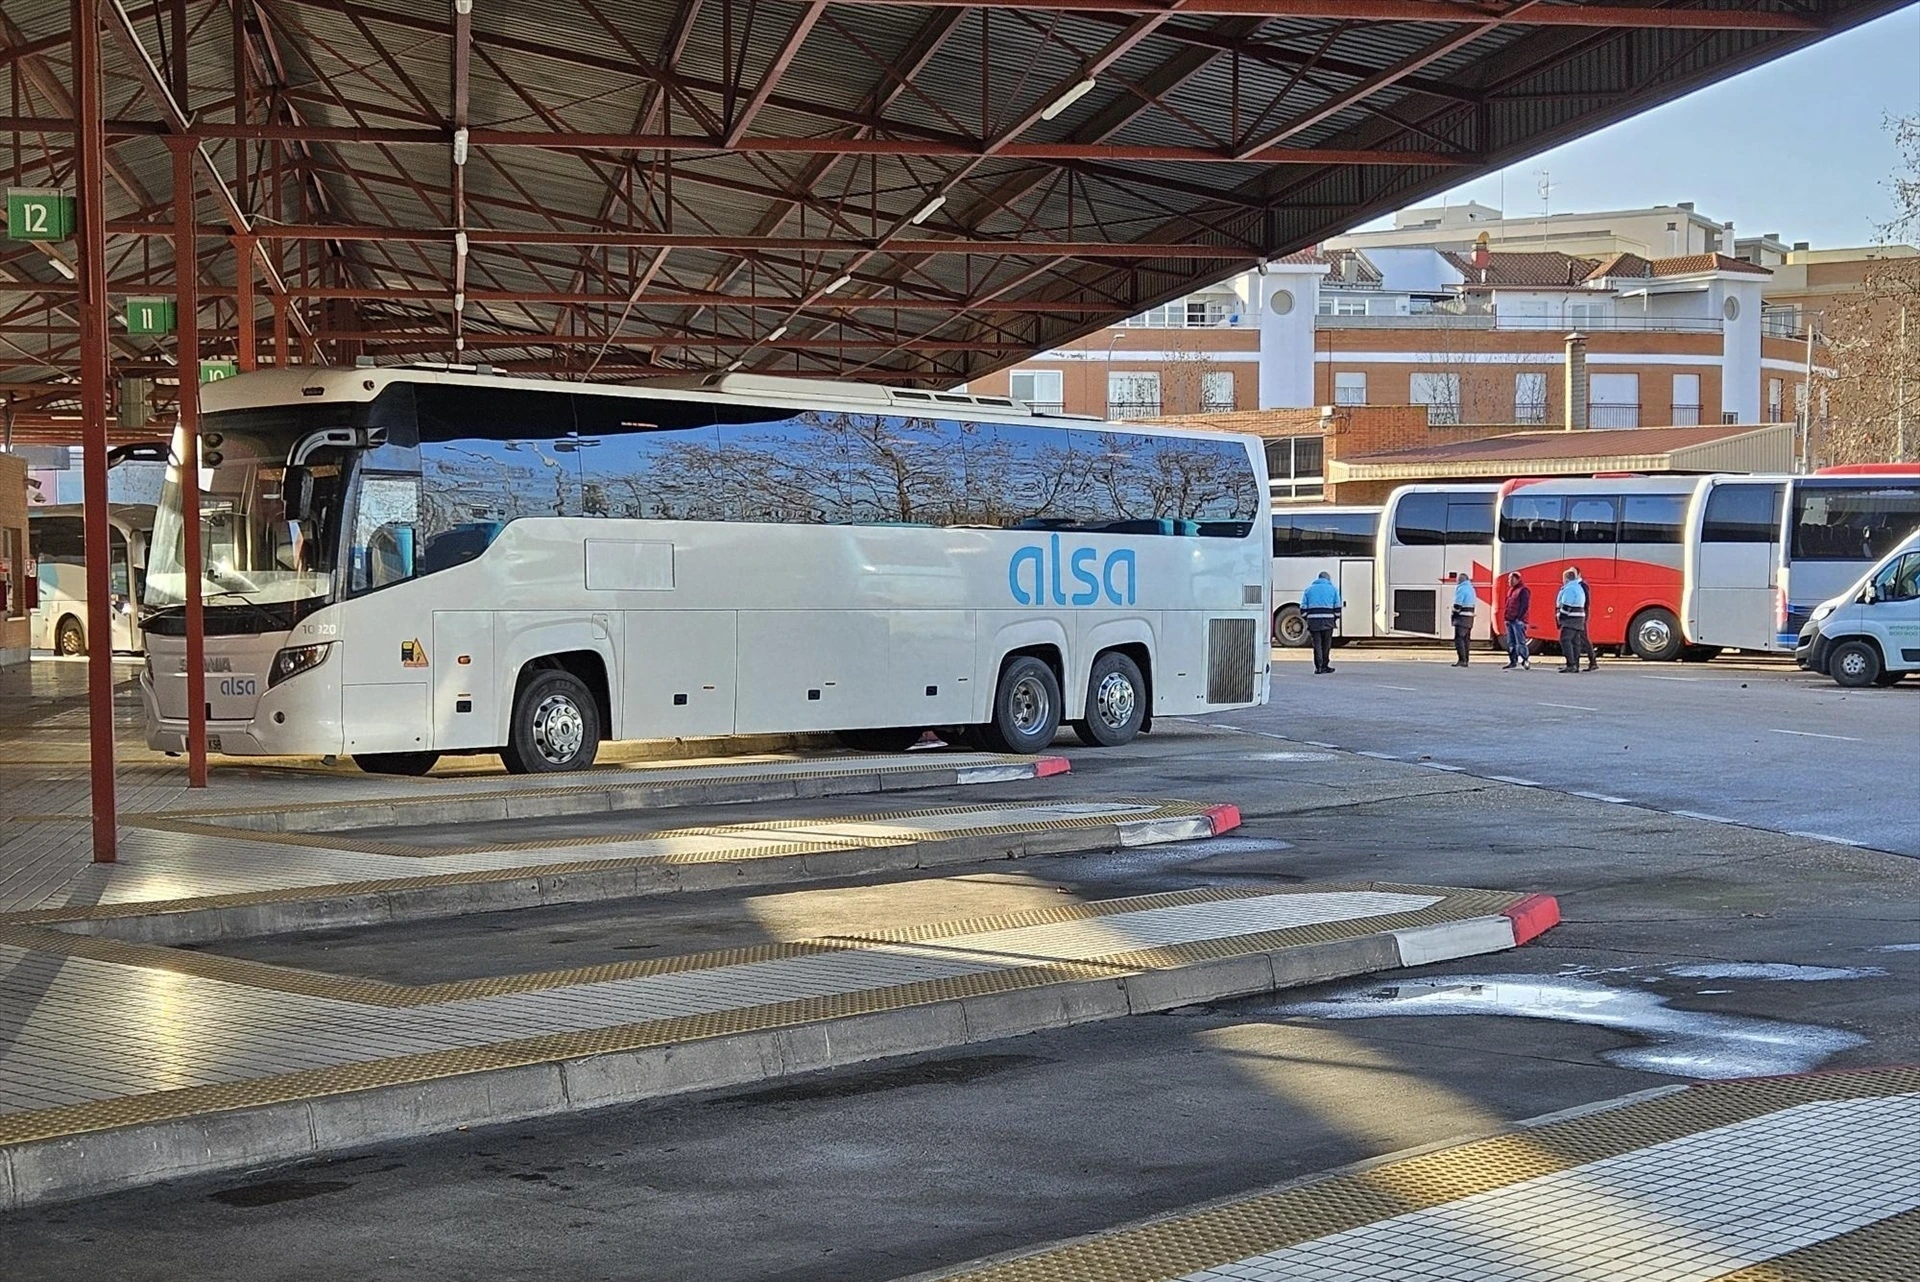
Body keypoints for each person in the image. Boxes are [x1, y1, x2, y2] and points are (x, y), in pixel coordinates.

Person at [1300, 571, 1342, 675]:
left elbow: (1303, 608)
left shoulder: (1308, 590)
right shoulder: (1333, 589)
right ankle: (1325, 666)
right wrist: (1334, 618)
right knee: (1326, 644)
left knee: (1317, 644)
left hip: (1313, 621)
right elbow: (1337, 607)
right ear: (1328, 579)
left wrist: (1307, 618)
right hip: (1328, 621)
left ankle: (1318, 667)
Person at [1556, 566, 1596, 673]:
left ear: (1567, 579)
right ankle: (1575, 664)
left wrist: (1561, 618)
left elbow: (1566, 605)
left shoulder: (1570, 588)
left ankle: (1571, 664)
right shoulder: (1579, 587)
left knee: (1565, 640)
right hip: (1579, 617)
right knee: (1575, 641)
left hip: (1571, 618)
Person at [1502, 571, 1532, 670]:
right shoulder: (1511, 590)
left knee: (1520, 642)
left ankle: (1525, 660)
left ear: (1517, 579)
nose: (1509, 581)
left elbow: (1524, 606)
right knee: (1511, 642)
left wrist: (1519, 617)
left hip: (1518, 621)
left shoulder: (1523, 590)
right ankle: (1513, 661)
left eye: (1511, 579)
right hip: (1509, 619)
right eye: (1509, 579)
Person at [1448, 572, 1477, 667]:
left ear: (1460, 580)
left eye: (1458, 580)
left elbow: (1457, 605)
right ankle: (1466, 660)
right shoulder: (1471, 589)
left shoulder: (1461, 589)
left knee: (1459, 639)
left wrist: (1454, 615)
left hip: (1461, 618)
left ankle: (1461, 659)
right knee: (1466, 640)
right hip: (1470, 618)